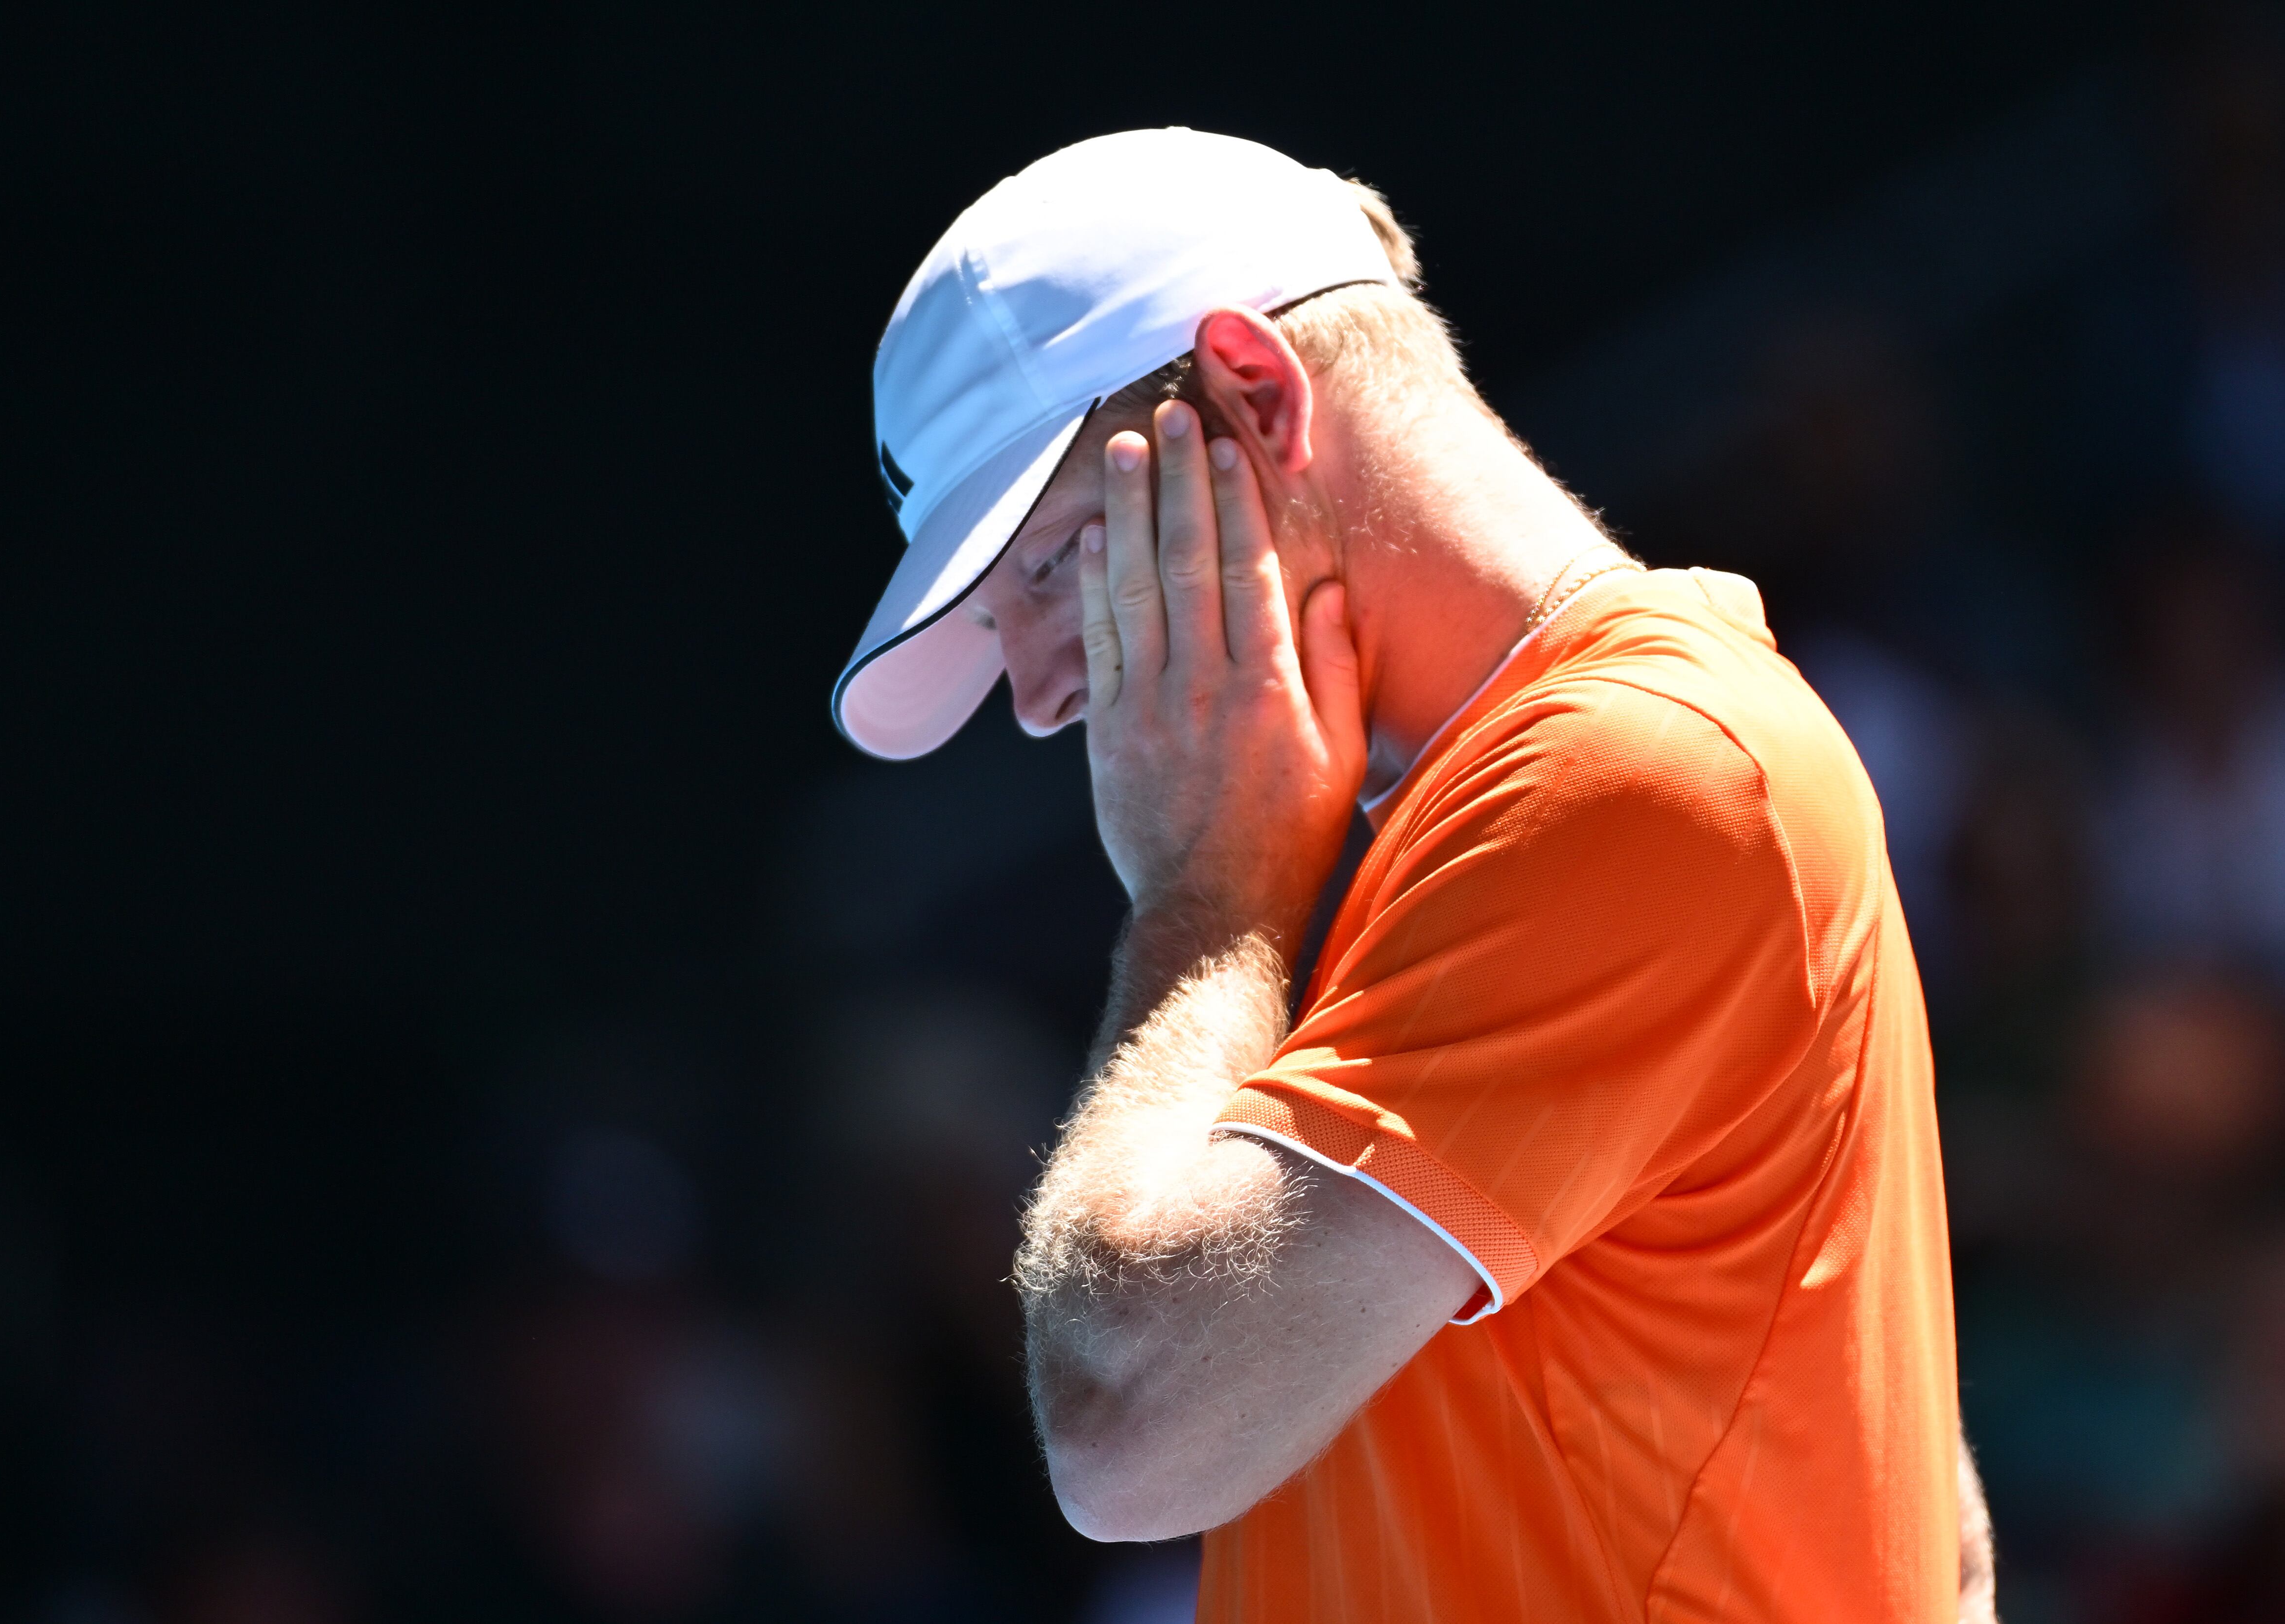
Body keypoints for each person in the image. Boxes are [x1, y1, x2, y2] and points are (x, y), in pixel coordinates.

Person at [832, 129, 1993, 1624]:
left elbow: (1130, 1429)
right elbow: (1926, 1517)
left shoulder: (1646, 768)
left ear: (1255, 394)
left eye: (1048, 567)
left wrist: (1200, 904)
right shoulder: (1571, 780)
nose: (1042, 692)